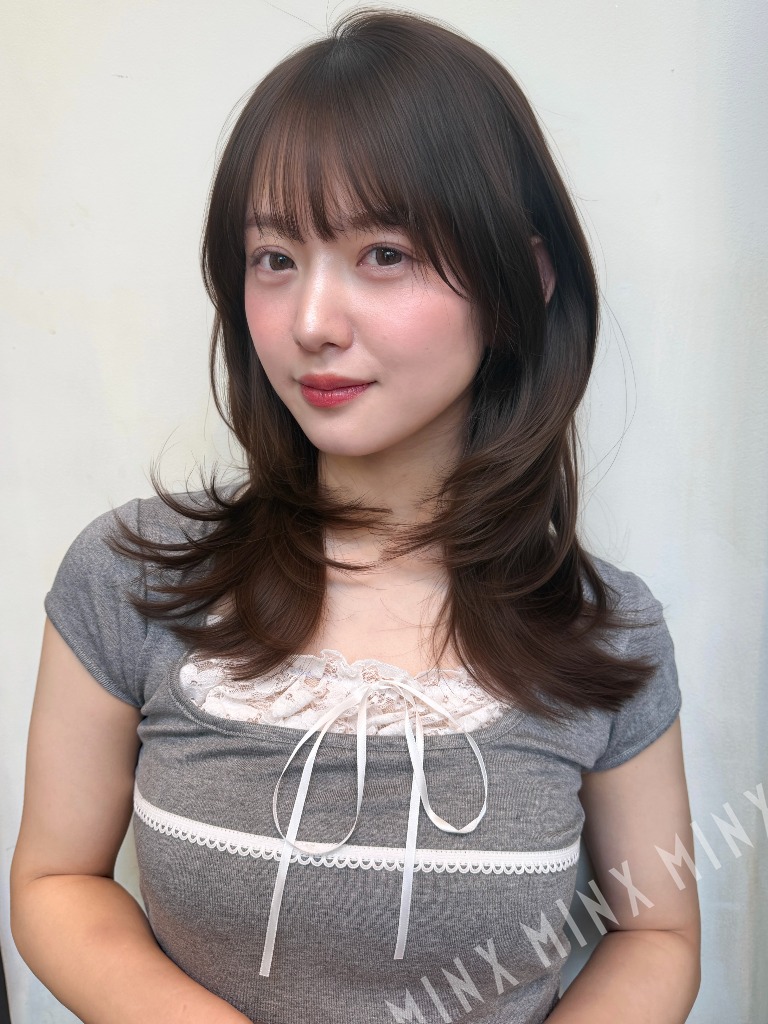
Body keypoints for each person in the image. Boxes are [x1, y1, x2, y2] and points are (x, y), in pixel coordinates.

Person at [10, 9, 700, 1024]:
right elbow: (55, 878)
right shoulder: (132, 574)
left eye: (383, 253)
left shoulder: (607, 631)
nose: (310, 323)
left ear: (525, 279)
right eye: (274, 257)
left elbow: (656, 932)